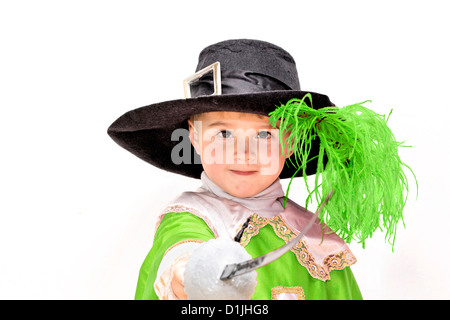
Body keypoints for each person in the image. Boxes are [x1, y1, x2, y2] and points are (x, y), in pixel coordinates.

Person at [108, 39, 368, 299]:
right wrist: (188, 273)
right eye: (223, 133)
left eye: (265, 135)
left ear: (291, 141)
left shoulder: (315, 241)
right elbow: (181, 247)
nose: (243, 153)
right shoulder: (194, 218)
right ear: (195, 137)